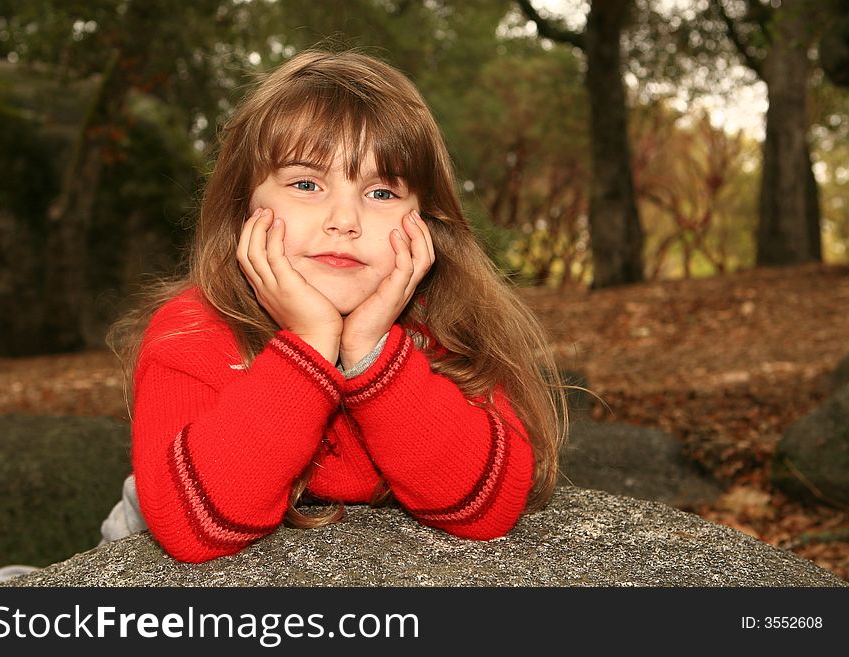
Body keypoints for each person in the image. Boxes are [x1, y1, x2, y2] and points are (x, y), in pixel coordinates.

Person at [105, 48, 568, 564]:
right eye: (306, 184)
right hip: (147, 528)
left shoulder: (449, 329)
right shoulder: (191, 332)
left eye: (381, 193)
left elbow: (490, 506)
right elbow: (194, 532)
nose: (344, 219)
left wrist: (370, 350)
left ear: (425, 222)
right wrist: (308, 344)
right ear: (243, 209)